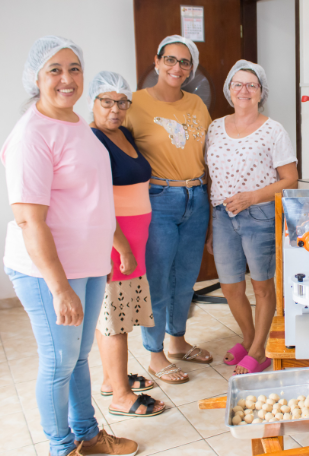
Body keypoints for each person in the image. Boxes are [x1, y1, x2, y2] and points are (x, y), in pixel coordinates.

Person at [2, 36, 138, 456]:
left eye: (74, 69)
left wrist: (118, 244)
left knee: (79, 358)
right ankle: (62, 448)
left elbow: (92, 196)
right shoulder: (32, 134)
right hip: (49, 272)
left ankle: (89, 435)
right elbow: (29, 219)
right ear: (36, 78)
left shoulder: (77, 124)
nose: (67, 79)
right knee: (59, 363)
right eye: (55, 70)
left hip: (89, 263)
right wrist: (59, 288)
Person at [123, 35, 212, 384]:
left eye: (185, 62)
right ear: (157, 62)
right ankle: (155, 353)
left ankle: (177, 341)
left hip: (196, 197)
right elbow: (113, 146)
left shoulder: (197, 106)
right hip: (159, 200)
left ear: (191, 70)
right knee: (158, 280)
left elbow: (206, 154)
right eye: (171, 60)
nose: (178, 67)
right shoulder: (134, 103)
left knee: (186, 278)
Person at [205, 60, 298, 375]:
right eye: (237, 84)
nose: (244, 90)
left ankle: (260, 349)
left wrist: (251, 197)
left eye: (251, 85)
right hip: (222, 215)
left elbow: (290, 180)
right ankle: (248, 338)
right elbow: (210, 178)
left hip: (258, 214)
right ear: (229, 90)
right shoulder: (215, 127)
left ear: (261, 92)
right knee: (230, 286)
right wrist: (210, 226)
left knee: (261, 286)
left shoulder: (273, 130)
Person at [88, 71, 165, 418]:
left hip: (133, 238)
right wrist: (122, 248)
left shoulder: (124, 134)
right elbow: (97, 203)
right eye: (107, 102)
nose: (115, 109)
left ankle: (111, 378)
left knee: (118, 314)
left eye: (122, 102)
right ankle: (120, 395)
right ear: (92, 102)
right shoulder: (92, 141)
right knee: (115, 319)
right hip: (115, 242)